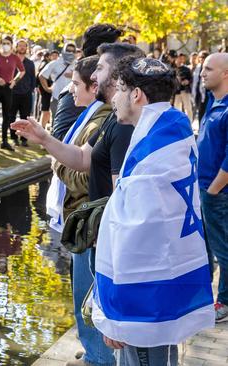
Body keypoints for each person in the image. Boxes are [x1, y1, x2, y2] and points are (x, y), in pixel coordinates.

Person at [12, 42, 144, 365]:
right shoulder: (116, 118)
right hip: (102, 240)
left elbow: (122, 202)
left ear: (119, 74)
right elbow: (84, 158)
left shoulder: (125, 126)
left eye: (99, 68)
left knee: (124, 347)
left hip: (112, 246)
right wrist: (43, 138)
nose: (93, 76)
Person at [92, 56, 214, 366]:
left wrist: (119, 315)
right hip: (167, 276)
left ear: (136, 95)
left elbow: (136, 236)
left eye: (119, 89)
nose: (114, 97)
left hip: (144, 295)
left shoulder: (152, 148)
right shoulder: (172, 127)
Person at [46, 56, 115, 366]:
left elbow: (84, 174)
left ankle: (97, 358)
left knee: (87, 295)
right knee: (82, 292)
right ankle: (93, 351)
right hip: (84, 218)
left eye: (75, 84)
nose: (70, 90)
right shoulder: (91, 114)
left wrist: (57, 161)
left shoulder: (102, 120)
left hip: (90, 219)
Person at [51, 24, 123, 141]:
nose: (122, 53)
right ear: (100, 51)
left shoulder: (109, 82)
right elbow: (60, 137)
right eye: (117, 48)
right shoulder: (76, 90)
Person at [197, 52, 228, 322]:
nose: (202, 72)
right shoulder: (212, 101)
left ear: (225, 73)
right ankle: (201, 297)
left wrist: (214, 189)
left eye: (208, 68)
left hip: (217, 193)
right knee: (203, 247)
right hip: (204, 188)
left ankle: (225, 302)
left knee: (223, 248)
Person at [0, 35, 25, 150]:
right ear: (0, 44)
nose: (6, 45)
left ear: (11, 45)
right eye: (4, 43)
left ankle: (4, 140)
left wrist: (15, 81)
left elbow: (22, 71)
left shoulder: (15, 58)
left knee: (6, 115)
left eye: (8, 43)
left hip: (8, 89)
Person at [39, 42, 77, 121]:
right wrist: (47, 88)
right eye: (68, 50)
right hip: (57, 97)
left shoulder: (77, 64)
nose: (70, 53)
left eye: (72, 51)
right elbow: (42, 75)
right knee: (56, 121)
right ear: (63, 50)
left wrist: (75, 75)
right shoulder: (55, 63)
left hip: (73, 98)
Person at [9, 39, 36, 147]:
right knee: (11, 116)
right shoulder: (12, 61)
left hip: (26, 94)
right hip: (13, 93)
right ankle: (14, 137)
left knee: (25, 117)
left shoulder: (30, 63)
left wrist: (31, 89)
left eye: (24, 46)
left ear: (27, 48)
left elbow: (33, 78)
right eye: (20, 46)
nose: (22, 48)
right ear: (16, 47)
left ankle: (24, 139)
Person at [174, 52, 194, 122]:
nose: (180, 60)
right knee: (177, 109)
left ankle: (189, 124)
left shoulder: (186, 69)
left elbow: (191, 79)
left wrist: (187, 81)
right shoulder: (173, 68)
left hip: (185, 90)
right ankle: (178, 123)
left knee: (188, 108)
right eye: (179, 58)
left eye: (182, 58)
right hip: (176, 91)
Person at [192, 51, 210, 122]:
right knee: (200, 112)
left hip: (207, 93)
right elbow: (195, 81)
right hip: (198, 93)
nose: (201, 59)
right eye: (200, 57)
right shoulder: (198, 67)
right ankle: (200, 130)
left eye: (203, 57)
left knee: (205, 112)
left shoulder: (209, 67)